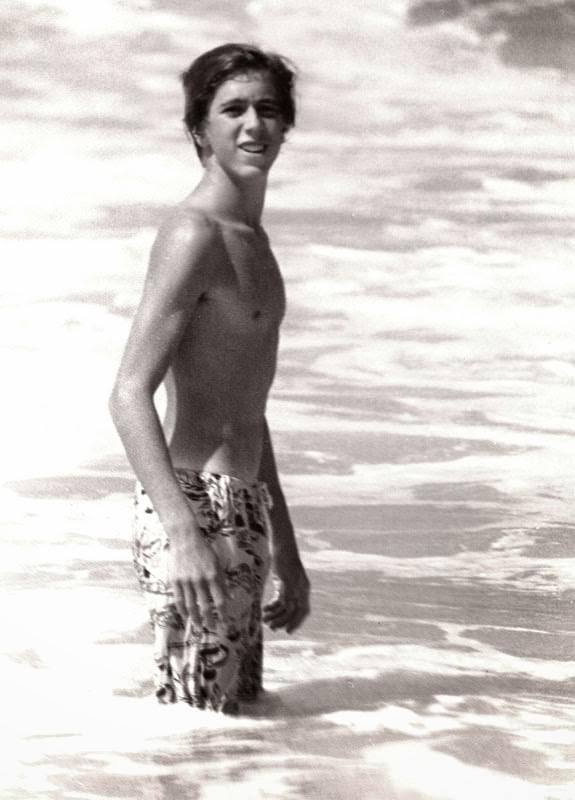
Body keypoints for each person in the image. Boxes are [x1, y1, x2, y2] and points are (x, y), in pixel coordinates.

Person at [109, 43, 310, 715]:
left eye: (269, 109)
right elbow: (128, 393)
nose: (254, 125)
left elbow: (247, 409)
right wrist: (183, 532)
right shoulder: (193, 234)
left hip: (244, 508)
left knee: (234, 734)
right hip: (195, 506)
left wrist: (286, 548)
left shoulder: (253, 241)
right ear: (199, 128)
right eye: (234, 110)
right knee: (195, 731)